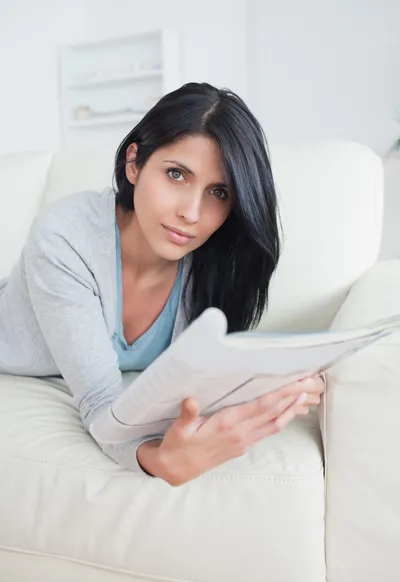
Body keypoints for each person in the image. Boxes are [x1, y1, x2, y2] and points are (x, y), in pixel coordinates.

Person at [0, 82, 324, 485]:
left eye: (218, 192)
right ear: (133, 163)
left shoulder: (213, 264)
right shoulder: (64, 236)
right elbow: (102, 405)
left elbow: (206, 379)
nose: (191, 212)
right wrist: (156, 459)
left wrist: (280, 384)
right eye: (176, 174)